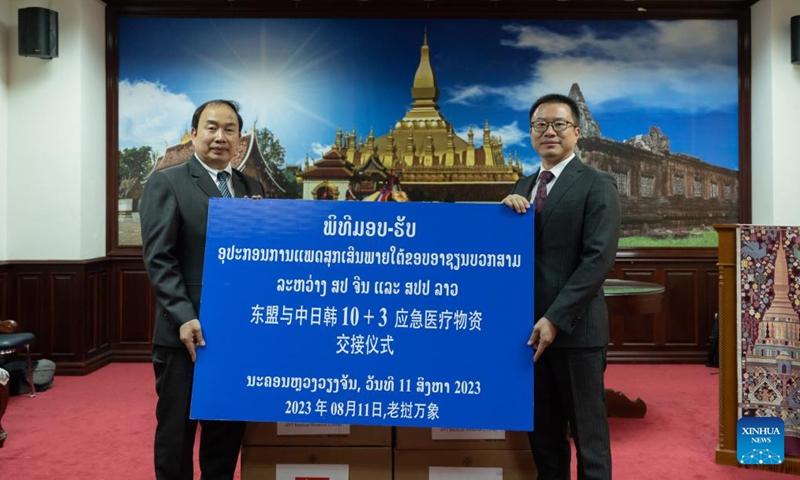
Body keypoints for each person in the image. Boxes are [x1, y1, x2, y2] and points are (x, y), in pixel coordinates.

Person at [140, 99, 265, 480]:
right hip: (185, 334)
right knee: (177, 433)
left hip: (236, 335)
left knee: (225, 433)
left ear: (240, 141)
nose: (220, 137)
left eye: (230, 130)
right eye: (211, 128)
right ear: (193, 134)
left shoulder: (252, 186)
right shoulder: (168, 181)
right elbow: (160, 259)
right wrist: (184, 315)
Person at [502, 93, 621, 480]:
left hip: (575, 332)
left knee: (589, 438)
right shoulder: (522, 185)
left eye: (558, 124)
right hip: (528, 335)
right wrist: (502, 215)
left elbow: (597, 260)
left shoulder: (597, 184)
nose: (549, 132)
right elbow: (506, 256)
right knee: (544, 435)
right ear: (531, 133)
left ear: (576, 132)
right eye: (540, 125)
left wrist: (554, 318)